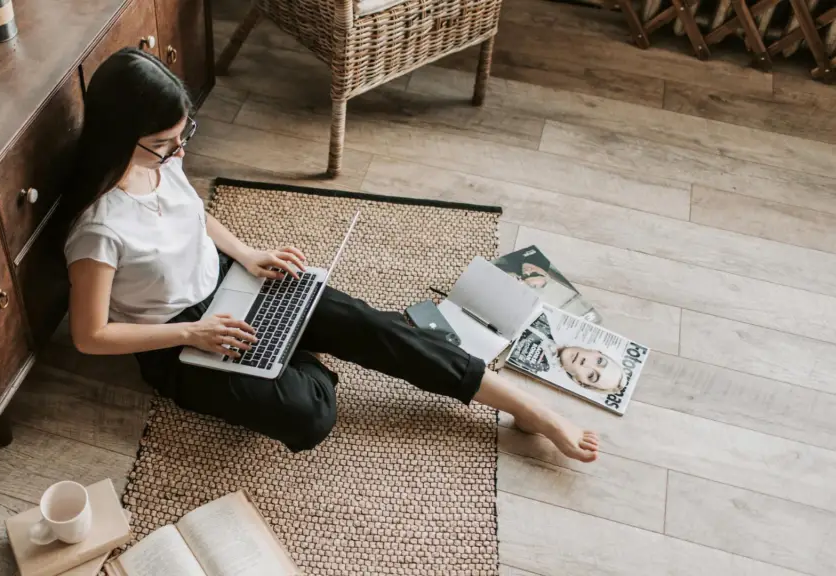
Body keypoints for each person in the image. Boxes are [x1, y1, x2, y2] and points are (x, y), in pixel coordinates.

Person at [61, 48, 600, 463]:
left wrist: (248, 254)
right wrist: (190, 335)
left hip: (228, 282)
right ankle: (294, 350)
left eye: (184, 135)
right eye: (167, 141)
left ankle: (534, 412)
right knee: (311, 413)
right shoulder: (99, 229)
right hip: (176, 338)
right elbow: (90, 336)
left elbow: (192, 214)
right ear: (121, 133)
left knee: (379, 330)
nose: (180, 150)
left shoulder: (160, 160)